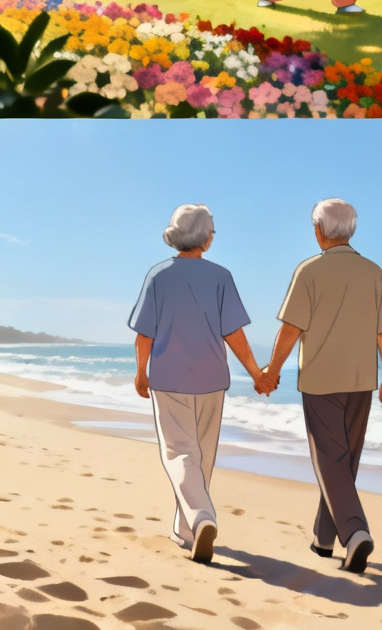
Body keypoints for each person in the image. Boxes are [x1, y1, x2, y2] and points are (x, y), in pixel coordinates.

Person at [129, 204, 275, 564]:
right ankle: (187, 529)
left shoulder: (158, 276)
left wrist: (141, 371)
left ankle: (199, 518)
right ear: (205, 237)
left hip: (169, 378)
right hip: (211, 380)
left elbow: (144, 334)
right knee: (202, 456)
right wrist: (257, 373)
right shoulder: (221, 276)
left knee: (180, 454)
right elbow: (234, 334)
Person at [264, 198, 382, 574]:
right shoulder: (373, 272)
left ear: (320, 230)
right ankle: (324, 538)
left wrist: (272, 370)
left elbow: (291, 329)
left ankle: (355, 534)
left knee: (329, 461)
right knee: (344, 462)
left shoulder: (308, 271)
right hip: (361, 381)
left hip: (321, 380)